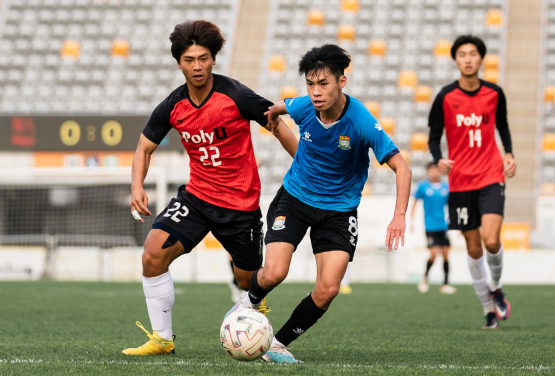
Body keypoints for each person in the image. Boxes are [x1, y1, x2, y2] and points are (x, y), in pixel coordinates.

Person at [225, 44, 412, 363]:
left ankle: (277, 345)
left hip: (339, 210)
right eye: (310, 84)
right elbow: (279, 107)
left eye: (323, 83)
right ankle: (245, 304)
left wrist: (398, 216)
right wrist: (272, 116)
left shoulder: (361, 121)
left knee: (328, 289)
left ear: (342, 82)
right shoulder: (303, 107)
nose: (315, 92)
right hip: (295, 198)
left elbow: (402, 168)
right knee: (273, 274)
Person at [123, 20, 298, 355]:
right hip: (197, 198)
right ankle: (162, 339)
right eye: (190, 60)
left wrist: (305, 164)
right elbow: (144, 148)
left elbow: (277, 125)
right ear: (179, 63)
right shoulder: (173, 105)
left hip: (240, 206)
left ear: (213, 59)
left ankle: (254, 327)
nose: (197, 66)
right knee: (152, 254)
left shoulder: (235, 95)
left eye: (203, 58)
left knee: (249, 282)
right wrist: (137, 186)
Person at [428, 35, 516, 329]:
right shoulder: (445, 96)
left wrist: (510, 154)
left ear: (481, 58)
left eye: (473, 54)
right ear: (456, 60)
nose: (467, 59)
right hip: (461, 181)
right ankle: (488, 308)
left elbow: (502, 125)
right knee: (474, 248)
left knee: (492, 240)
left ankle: (497, 286)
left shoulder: (494, 93)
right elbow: (433, 135)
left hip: (491, 175)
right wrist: (438, 158)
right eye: (462, 54)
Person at [411, 163, 456, 294]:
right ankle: (424, 279)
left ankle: (446, 284)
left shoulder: (446, 187)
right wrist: (411, 221)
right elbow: (415, 203)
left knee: (446, 254)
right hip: (430, 226)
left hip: (444, 226)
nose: (434, 172)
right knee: (434, 254)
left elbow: (452, 206)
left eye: (436, 170)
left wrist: (456, 224)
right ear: (427, 172)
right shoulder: (422, 187)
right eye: (431, 170)